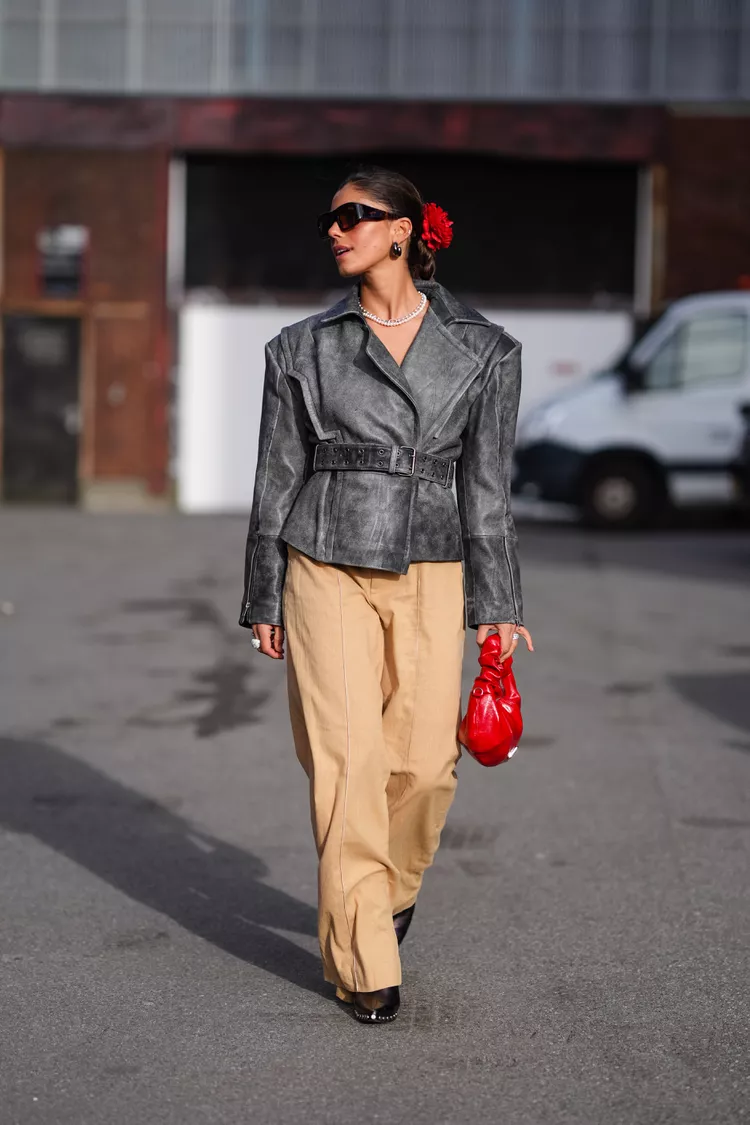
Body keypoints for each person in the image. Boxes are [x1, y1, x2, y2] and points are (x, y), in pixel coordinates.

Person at [239, 166, 534, 1024]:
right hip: (323, 557)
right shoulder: (301, 347)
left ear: (404, 230)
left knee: (425, 766)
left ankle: (390, 886)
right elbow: (276, 477)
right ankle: (365, 954)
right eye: (330, 220)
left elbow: (488, 489)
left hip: (433, 564)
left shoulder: (485, 350)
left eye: (355, 216)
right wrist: (264, 591)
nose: (336, 230)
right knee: (348, 763)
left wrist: (499, 602)